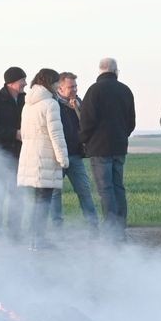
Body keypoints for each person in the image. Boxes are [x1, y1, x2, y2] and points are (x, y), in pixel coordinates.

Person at [80, 57, 136, 240]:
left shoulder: (94, 91)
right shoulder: (125, 90)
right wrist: (121, 135)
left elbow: (87, 121)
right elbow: (131, 122)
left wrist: (84, 140)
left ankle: (112, 232)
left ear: (100, 70)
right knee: (118, 187)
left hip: (99, 148)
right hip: (119, 146)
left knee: (106, 189)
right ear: (116, 71)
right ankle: (120, 229)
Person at [17, 69, 69, 251]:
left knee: (37, 200)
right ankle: (38, 240)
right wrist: (63, 159)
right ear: (50, 83)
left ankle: (34, 239)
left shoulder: (27, 104)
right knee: (43, 201)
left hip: (30, 155)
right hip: (45, 156)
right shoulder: (50, 104)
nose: (58, 86)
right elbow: (56, 134)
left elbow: (23, 134)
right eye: (56, 82)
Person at [50, 72, 99, 233]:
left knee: (84, 190)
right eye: (71, 87)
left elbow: (86, 126)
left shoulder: (78, 102)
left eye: (76, 86)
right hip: (57, 155)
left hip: (76, 154)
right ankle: (57, 228)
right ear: (60, 88)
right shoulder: (52, 104)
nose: (75, 90)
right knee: (55, 193)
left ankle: (93, 226)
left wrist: (78, 109)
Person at [0, 66, 27, 239]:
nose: (25, 83)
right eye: (22, 80)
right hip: (0, 155)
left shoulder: (25, 100)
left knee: (18, 194)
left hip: (20, 155)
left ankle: (15, 232)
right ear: (12, 82)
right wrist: (14, 133)